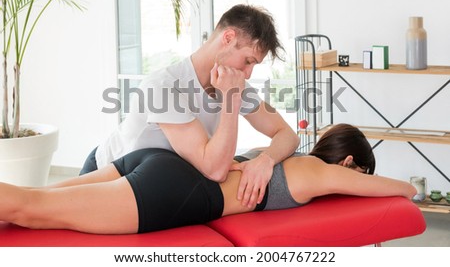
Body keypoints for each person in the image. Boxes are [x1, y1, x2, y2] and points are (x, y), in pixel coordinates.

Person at [0, 124, 416, 234]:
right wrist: (391, 185)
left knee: (33, 195)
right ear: (347, 163)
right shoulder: (318, 172)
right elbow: (403, 189)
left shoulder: (276, 156)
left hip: (157, 163)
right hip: (172, 193)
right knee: (31, 208)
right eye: (358, 174)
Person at [81, 4, 300, 208]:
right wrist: (231, 99)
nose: (248, 73)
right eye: (248, 61)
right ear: (228, 38)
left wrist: (265, 160)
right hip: (105, 175)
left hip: (154, 184)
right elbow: (214, 170)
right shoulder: (164, 87)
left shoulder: (235, 84)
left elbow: (288, 134)